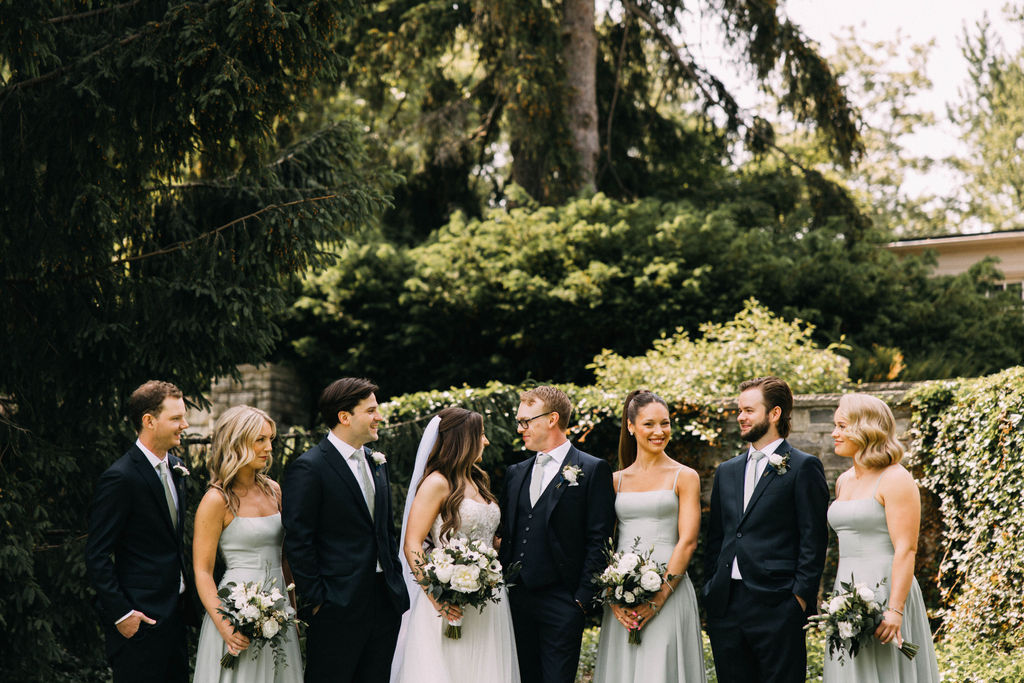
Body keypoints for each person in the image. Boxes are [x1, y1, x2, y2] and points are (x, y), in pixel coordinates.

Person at [282, 377, 409, 683]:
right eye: (371, 410)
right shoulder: (310, 467)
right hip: (336, 605)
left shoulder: (377, 463)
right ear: (344, 417)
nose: (379, 417)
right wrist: (318, 600)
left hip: (384, 600)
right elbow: (299, 541)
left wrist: (394, 579)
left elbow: (385, 531)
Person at [703, 376, 829, 683]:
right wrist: (711, 588)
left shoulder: (803, 467)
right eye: (739, 410)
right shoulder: (726, 471)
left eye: (749, 410)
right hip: (726, 606)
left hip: (778, 604)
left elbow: (813, 539)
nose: (740, 417)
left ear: (774, 413)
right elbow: (717, 537)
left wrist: (799, 599)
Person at [390, 407, 520, 683]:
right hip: (446, 600)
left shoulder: (478, 480)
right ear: (464, 438)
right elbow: (412, 542)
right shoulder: (437, 483)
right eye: (481, 434)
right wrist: (436, 597)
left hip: (488, 599)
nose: (486, 441)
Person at [499, 385, 616, 683]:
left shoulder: (592, 469)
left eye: (526, 421)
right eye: (519, 422)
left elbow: (600, 538)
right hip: (516, 600)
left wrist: (581, 600)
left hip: (563, 602)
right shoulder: (515, 472)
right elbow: (508, 534)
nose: (520, 428)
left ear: (552, 419)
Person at [823, 393, 939, 682]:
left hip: (888, 588)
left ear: (866, 429)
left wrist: (895, 610)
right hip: (846, 590)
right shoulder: (844, 480)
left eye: (842, 426)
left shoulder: (896, 478)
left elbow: (906, 549)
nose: (834, 433)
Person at [593, 390, 706, 683]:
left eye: (665, 423)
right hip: (622, 594)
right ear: (631, 426)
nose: (659, 431)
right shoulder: (614, 481)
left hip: (670, 588)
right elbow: (602, 543)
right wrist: (613, 598)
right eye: (649, 424)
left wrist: (658, 597)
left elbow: (688, 541)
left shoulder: (685, 476)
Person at [85, 380, 193, 683]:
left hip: (176, 618)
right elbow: (96, 554)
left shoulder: (176, 468)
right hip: (140, 623)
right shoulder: (121, 478)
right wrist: (122, 614)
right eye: (176, 418)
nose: (184, 425)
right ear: (149, 421)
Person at [192, 405, 303, 682]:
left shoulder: (274, 490)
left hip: (278, 609)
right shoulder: (216, 500)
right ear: (237, 442)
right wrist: (225, 626)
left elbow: (284, 557)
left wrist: (292, 609)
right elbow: (202, 571)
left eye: (270, 439)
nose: (269, 448)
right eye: (260, 440)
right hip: (236, 611)